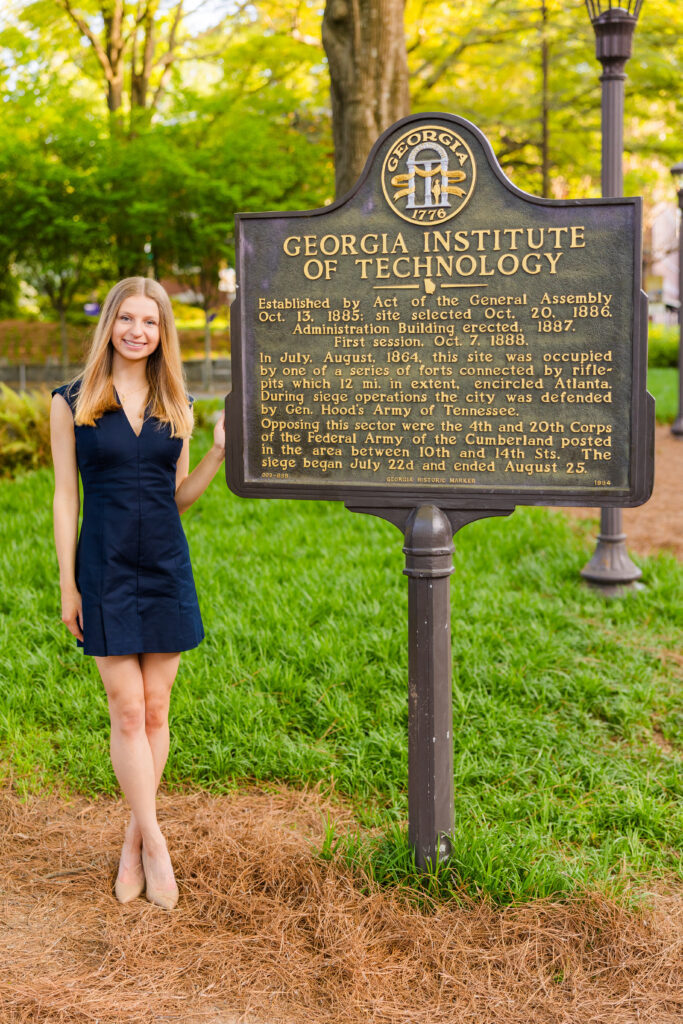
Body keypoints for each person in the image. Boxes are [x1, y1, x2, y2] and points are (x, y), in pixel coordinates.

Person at [50, 277, 226, 910]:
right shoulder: (72, 400)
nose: (137, 331)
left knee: (156, 712)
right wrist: (67, 581)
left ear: (162, 333)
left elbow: (178, 497)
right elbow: (65, 496)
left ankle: (132, 839)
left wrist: (216, 454)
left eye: (150, 322)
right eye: (127, 319)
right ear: (111, 326)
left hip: (164, 566)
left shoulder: (174, 400)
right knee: (126, 710)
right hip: (101, 565)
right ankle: (156, 843)